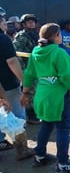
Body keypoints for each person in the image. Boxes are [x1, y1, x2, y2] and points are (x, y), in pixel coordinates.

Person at [20, 23, 70, 172]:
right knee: (63, 128)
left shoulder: (35, 51)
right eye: (60, 34)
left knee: (47, 125)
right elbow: (67, 77)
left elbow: (28, 75)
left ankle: (40, 156)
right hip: (58, 97)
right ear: (56, 36)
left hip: (41, 95)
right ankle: (63, 163)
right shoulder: (59, 53)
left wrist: (25, 93)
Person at [0, 15, 35, 160]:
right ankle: (22, 150)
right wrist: (24, 82)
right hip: (8, 85)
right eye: (3, 21)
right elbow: (12, 62)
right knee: (19, 116)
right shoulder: (3, 39)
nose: (5, 24)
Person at [13, 14, 41, 124]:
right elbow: (16, 54)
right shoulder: (21, 36)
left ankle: (35, 115)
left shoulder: (35, 35)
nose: (31, 24)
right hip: (28, 69)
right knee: (29, 92)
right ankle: (31, 117)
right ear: (24, 24)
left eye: (33, 22)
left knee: (36, 92)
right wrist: (23, 70)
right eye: (29, 22)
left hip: (36, 69)